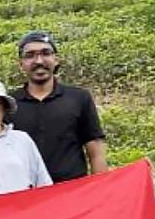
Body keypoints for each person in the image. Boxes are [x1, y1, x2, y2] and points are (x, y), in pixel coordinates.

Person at [9, 31, 108, 182]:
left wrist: (101, 189)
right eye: (30, 55)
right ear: (21, 64)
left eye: (45, 53)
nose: (39, 61)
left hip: (71, 193)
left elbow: (95, 149)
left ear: (56, 60)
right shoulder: (9, 103)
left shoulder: (79, 98)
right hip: (24, 196)